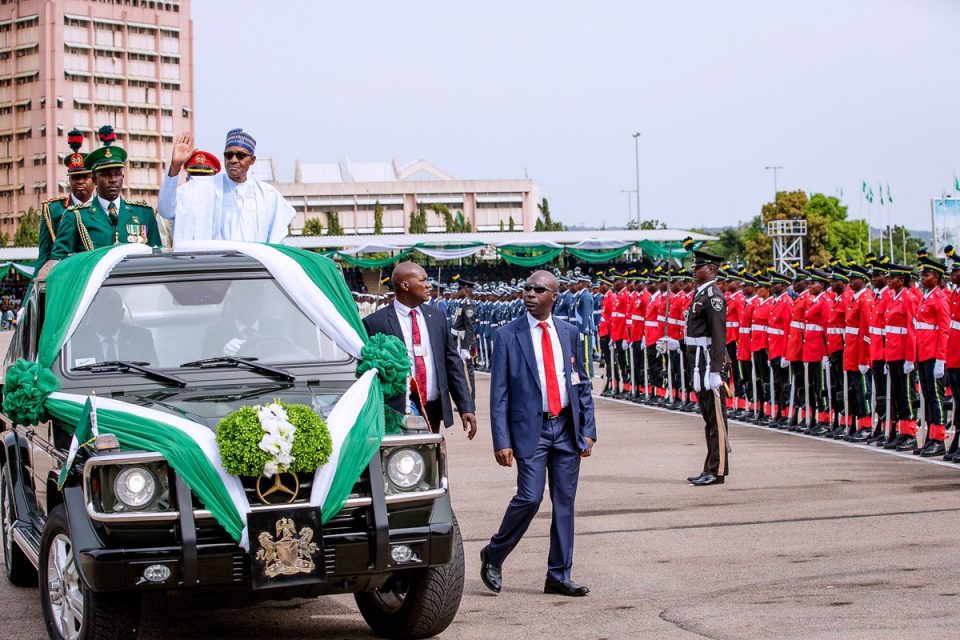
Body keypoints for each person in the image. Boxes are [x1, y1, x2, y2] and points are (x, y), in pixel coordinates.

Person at [480, 270, 596, 597]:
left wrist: (588, 430)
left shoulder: (569, 332)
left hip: (565, 427)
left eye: (538, 289)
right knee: (530, 497)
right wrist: (501, 440)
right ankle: (494, 553)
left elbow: (582, 383)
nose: (530, 294)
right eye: (527, 288)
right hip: (530, 429)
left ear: (554, 296)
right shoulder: (508, 335)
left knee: (564, 503)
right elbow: (499, 393)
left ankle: (558, 575)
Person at [362, 262, 477, 438]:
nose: (428, 285)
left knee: (431, 459)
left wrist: (465, 406)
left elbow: (452, 363)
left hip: (432, 407)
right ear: (405, 285)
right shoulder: (376, 322)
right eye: (423, 280)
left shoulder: (436, 317)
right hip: (399, 410)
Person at [158, 129, 295, 244]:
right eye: (229, 155)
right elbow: (166, 210)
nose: (233, 160)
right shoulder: (205, 187)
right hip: (217, 269)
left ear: (252, 160)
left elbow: (277, 240)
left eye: (240, 155)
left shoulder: (267, 195)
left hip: (253, 270)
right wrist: (175, 166)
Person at [51, 126, 162, 259]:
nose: (113, 180)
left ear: (123, 177)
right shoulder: (76, 216)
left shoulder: (144, 213)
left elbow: (156, 255)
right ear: (94, 179)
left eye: (117, 174)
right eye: (106, 175)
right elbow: (59, 258)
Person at [683, 249, 729, 486]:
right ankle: (710, 466)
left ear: (711, 269)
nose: (694, 271)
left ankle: (717, 470)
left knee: (717, 421)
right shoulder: (700, 294)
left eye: (698, 267)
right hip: (698, 363)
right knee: (709, 420)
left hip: (708, 364)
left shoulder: (713, 297)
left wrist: (716, 371)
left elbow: (719, 336)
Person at [38, 129, 95, 269]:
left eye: (85, 177)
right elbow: (44, 254)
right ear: (69, 180)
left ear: (94, 179)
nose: (80, 181)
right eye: (75, 177)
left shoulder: (104, 209)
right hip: (65, 273)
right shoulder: (53, 209)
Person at [67, 289, 158, 367]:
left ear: (121, 314)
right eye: (100, 311)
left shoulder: (142, 338)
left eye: (110, 311)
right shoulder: (75, 341)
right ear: (92, 314)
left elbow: (152, 371)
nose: (105, 317)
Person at [451, 278, 478, 401]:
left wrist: (465, 347)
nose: (458, 291)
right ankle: (465, 398)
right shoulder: (462, 303)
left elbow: (469, 327)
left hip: (463, 341)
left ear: (466, 289)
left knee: (467, 371)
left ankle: (470, 400)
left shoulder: (469, 304)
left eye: (460, 289)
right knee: (461, 371)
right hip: (458, 340)